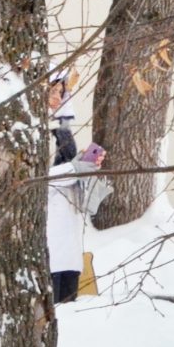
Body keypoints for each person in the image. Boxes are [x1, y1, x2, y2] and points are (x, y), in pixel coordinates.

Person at [46, 68, 104, 304]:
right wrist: (76, 168)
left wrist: (88, 167)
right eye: (52, 91)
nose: (57, 98)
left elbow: (67, 177)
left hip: (68, 245)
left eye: (61, 91)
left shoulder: (64, 134)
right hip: (47, 247)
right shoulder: (31, 132)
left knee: (68, 314)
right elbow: (35, 181)